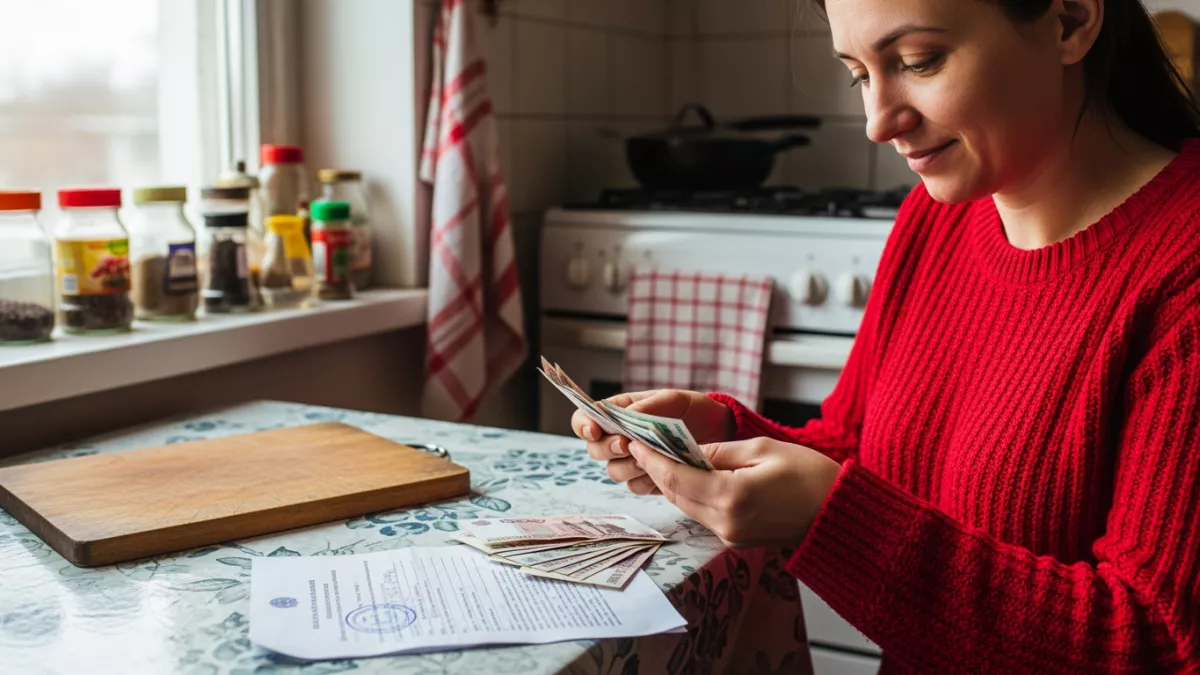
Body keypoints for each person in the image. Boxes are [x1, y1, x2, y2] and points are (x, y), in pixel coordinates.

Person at [571, 0, 1200, 672]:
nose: (878, 122)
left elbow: (1158, 639)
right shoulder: (936, 219)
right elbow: (858, 448)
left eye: (917, 61)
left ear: (1071, 20)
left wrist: (828, 518)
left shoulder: (1182, 273)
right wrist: (724, 428)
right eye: (859, 74)